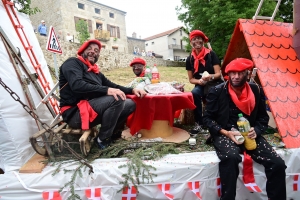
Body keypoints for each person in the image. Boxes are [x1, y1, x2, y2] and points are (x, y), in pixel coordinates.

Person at [203, 58, 286, 200]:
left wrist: (257, 130)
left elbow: (262, 118)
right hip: (225, 133)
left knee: (277, 164)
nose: (235, 77)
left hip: (249, 133)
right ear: (228, 74)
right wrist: (225, 133)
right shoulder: (217, 91)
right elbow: (207, 119)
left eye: (239, 73)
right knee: (231, 158)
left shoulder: (256, 89)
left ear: (247, 74)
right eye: (232, 73)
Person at [59, 39, 147, 149]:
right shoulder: (72, 63)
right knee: (117, 98)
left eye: (96, 50)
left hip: (92, 108)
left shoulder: (95, 72)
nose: (93, 52)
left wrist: (132, 90)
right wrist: (107, 90)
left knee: (130, 104)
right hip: (75, 114)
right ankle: (102, 140)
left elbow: (113, 86)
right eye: (89, 49)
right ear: (82, 51)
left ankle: (113, 134)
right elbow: (77, 85)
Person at [186, 30, 222, 136]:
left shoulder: (211, 54)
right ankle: (199, 123)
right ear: (191, 42)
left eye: (199, 38)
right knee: (195, 94)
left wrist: (209, 77)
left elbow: (218, 74)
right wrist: (199, 81)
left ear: (203, 41)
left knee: (213, 94)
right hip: (201, 84)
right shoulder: (190, 59)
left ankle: (213, 122)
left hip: (213, 83)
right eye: (194, 39)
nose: (197, 41)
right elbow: (191, 79)